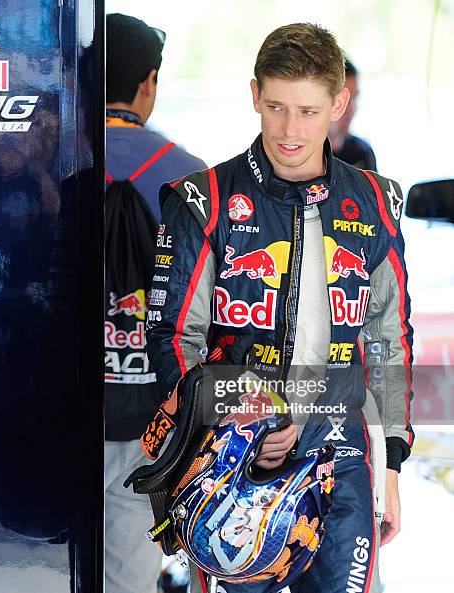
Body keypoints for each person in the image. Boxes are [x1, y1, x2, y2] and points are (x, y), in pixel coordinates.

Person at [146, 23, 413, 593]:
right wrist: (234, 423)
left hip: (341, 452)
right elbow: (170, 335)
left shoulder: (376, 201)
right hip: (231, 463)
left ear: (338, 104)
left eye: (309, 111)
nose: (291, 130)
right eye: (276, 107)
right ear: (253, 95)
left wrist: (390, 464)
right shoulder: (205, 200)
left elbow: (392, 338)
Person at [104, 13, 206, 593]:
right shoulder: (193, 178)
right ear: (148, 83)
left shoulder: (44, 158)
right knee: (127, 573)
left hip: (56, 406)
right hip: (151, 414)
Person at [329, 58, 378, 170]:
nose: (350, 109)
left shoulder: (362, 153)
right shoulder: (301, 156)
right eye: (340, 100)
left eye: (355, 97)